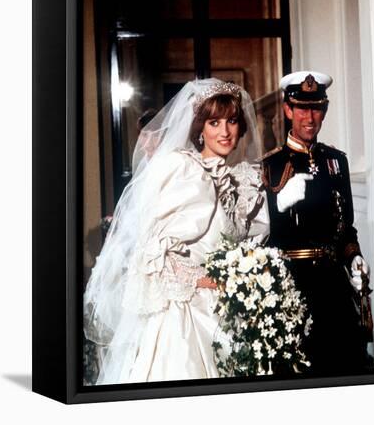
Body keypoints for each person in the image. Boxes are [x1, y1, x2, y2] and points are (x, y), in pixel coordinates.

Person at [84, 78, 269, 384]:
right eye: (214, 122)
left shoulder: (245, 181)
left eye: (232, 121)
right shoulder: (181, 170)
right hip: (186, 314)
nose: (224, 132)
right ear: (200, 128)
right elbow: (155, 255)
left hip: (232, 307)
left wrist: (244, 278)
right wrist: (209, 281)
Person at [260, 71, 372, 376]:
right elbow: (267, 233)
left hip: (335, 286)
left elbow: (345, 227)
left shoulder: (336, 161)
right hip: (294, 288)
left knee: (348, 366)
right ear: (287, 110)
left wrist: (354, 257)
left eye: (317, 108)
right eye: (302, 108)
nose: (310, 117)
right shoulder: (271, 164)